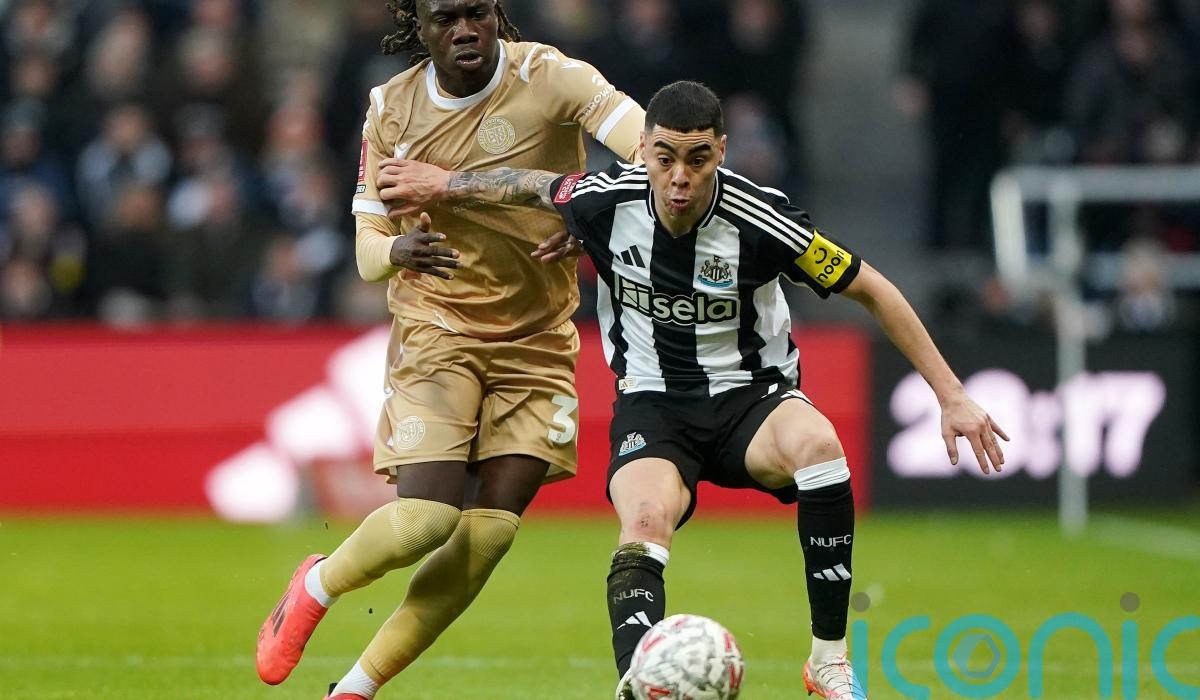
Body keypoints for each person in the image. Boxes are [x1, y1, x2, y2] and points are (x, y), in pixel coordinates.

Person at [379, 81, 1009, 700]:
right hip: (652, 406)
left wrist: (951, 395)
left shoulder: (762, 221)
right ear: (644, 150)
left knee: (821, 448)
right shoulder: (604, 202)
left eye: (697, 159)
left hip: (753, 399)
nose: (680, 177)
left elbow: (873, 290)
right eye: (665, 158)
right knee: (645, 520)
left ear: (721, 153)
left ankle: (828, 661)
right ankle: (636, 684)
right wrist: (443, 183)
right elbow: (531, 185)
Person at [253, 2, 645, 698]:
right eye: (445, 18)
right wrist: (396, 249)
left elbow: (652, 153)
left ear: (496, 14)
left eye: (477, 13)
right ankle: (315, 585)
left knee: (489, 535)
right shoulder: (392, 108)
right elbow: (368, 250)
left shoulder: (554, 77)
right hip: (440, 329)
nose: (465, 30)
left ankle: (354, 688)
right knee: (427, 520)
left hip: (538, 340)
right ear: (420, 25)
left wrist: (594, 215)